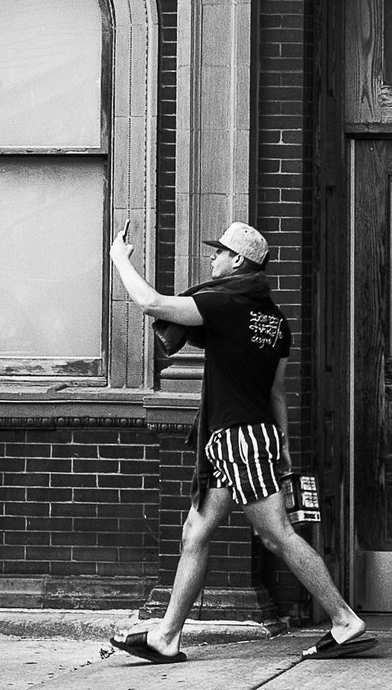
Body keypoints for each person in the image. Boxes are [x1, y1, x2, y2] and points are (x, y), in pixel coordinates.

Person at [103, 217, 375, 663]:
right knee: (195, 532)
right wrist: (282, 445)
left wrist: (119, 259)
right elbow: (276, 393)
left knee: (277, 535)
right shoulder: (276, 321)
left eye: (219, 252)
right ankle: (166, 636)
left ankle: (345, 620)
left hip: (238, 438)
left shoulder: (225, 304)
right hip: (248, 436)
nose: (213, 258)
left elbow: (151, 303)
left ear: (238, 261)